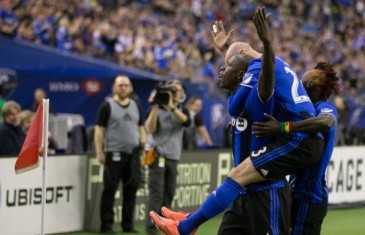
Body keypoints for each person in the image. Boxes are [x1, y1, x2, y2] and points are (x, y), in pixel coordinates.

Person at [149, 7, 323, 235]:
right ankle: (188, 222)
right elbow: (241, 67)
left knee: (236, 175)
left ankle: (187, 226)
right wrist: (227, 50)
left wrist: (267, 42)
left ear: (244, 69)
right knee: (237, 178)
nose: (223, 67)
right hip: (247, 192)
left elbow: (251, 77)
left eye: (228, 63)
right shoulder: (257, 76)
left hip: (294, 147)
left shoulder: (261, 74)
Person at [252, 62, 339, 235]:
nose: (297, 82)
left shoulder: (324, 108)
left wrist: (283, 127)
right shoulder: (301, 111)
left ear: (309, 85)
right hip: (296, 191)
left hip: (309, 195)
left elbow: (326, 121)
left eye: (301, 80)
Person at [94, 75, 146, 233]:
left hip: (133, 154)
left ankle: (127, 224)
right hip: (114, 153)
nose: (123, 88)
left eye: (126, 85)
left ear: (130, 88)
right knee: (110, 189)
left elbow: (141, 128)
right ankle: (106, 225)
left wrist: (143, 148)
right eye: (120, 85)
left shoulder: (136, 106)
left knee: (131, 190)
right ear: (114, 88)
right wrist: (99, 152)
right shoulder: (107, 106)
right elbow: (99, 130)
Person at [144, 79, 191, 235]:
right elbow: (150, 128)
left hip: (173, 157)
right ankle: (151, 229)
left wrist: (171, 107)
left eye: (176, 91)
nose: (173, 93)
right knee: (156, 193)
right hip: (157, 156)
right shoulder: (156, 109)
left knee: (169, 193)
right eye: (171, 91)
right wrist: (156, 105)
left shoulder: (182, 111)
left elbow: (186, 122)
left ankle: (166, 225)